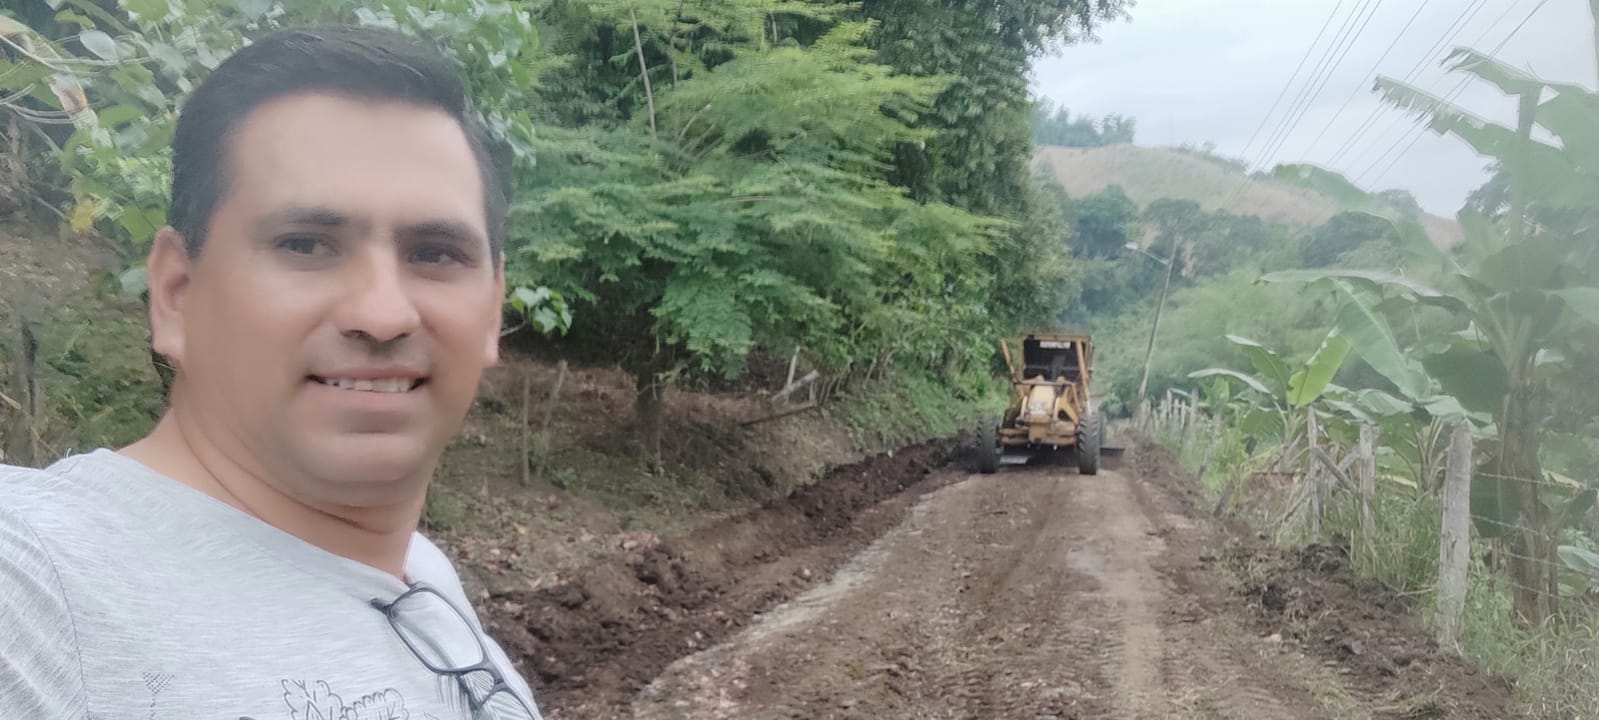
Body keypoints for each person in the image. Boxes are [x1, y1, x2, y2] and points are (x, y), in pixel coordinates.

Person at [0, 24, 543, 720]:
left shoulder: (425, 579)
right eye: (306, 244)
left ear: (492, 312)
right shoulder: (35, 580)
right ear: (177, 294)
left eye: (435, 254)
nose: (382, 315)